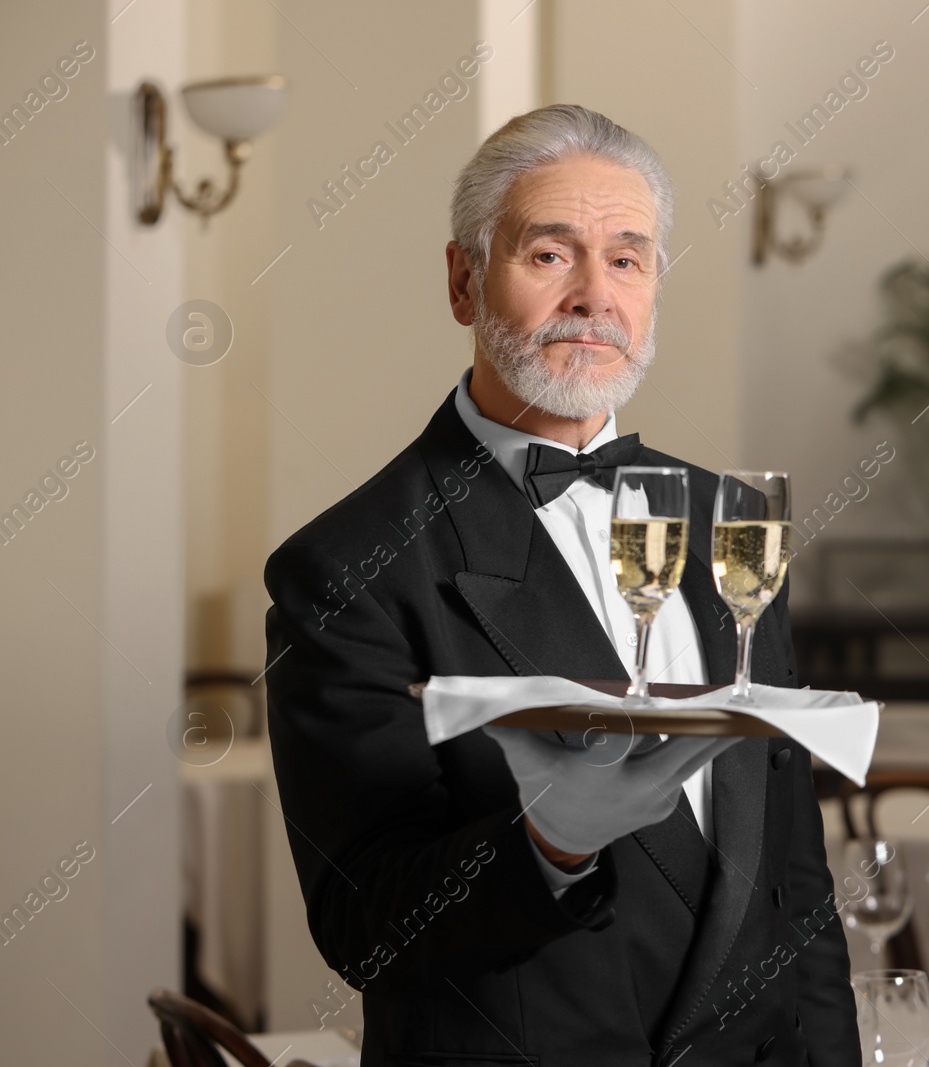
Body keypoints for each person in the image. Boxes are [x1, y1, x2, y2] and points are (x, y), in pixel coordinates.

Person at [263, 104, 856, 1066]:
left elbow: (794, 881)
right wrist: (550, 844)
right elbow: (364, 928)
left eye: (627, 258)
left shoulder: (730, 523)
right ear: (463, 281)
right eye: (550, 255)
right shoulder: (350, 566)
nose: (594, 294)